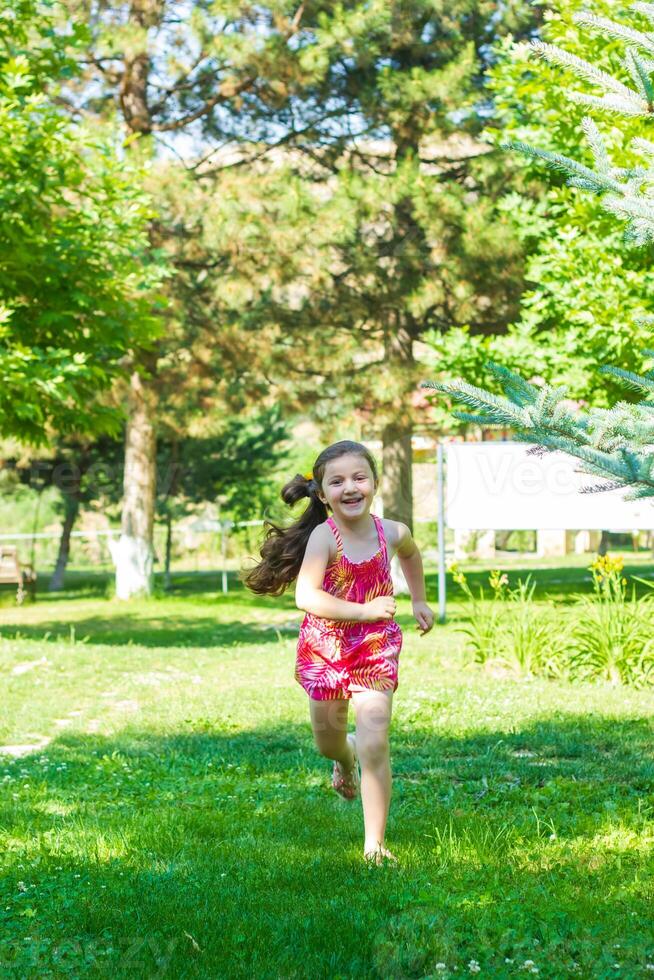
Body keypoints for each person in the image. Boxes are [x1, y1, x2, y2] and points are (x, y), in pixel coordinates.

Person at [245, 440, 434, 864]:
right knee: (329, 742)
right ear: (323, 493)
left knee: (375, 743)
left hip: (373, 650)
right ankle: (342, 760)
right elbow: (306, 596)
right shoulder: (322, 537)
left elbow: (411, 554)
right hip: (325, 651)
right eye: (337, 481)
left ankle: (375, 845)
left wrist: (418, 600)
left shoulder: (392, 531)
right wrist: (364, 609)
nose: (350, 488)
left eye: (359, 477)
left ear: (374, 484)